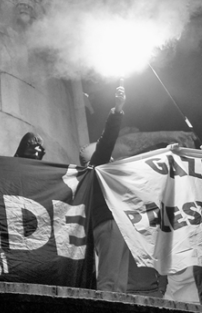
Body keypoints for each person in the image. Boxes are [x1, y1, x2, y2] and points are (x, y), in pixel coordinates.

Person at [80, 85, 126, 293]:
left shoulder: (92, 176)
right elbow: (107, 140)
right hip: (109, 224)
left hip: (112, 225)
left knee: (118, 283)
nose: (111, 156)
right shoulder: (96, 165)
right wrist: (117, 110)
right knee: (110, 281)